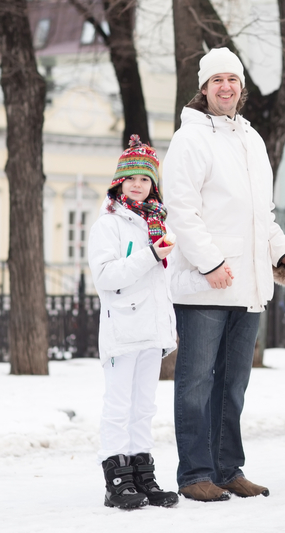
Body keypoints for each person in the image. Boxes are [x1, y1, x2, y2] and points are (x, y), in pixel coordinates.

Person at [161, 47, 285, 502]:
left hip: (249, 284)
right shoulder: (190, 139)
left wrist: (280, 253)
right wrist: (211, 263)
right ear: (204, 88)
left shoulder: (252, 140)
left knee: (233, 384)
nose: (225, 87)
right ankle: (195, 473)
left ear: (241, 88)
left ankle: (227, 468)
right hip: (207, 284)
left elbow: (264, 214)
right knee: (197, 382)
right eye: (216, 80)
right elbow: (181, 210)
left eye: (232, 80)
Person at [88, 136, 219, 509]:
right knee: (118, 404)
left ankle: (142, 473)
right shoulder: (109, 225)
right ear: (118, 182)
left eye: (145, 180)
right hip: (122, 330)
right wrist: (149, 254)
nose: (137, 185)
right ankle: (117, 476)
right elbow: (106, 278)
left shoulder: (157, 224)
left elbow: (166, 282)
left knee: (144, 405)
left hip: (152, 332)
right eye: (131, 179)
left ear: (152, 185)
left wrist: (208, 278)